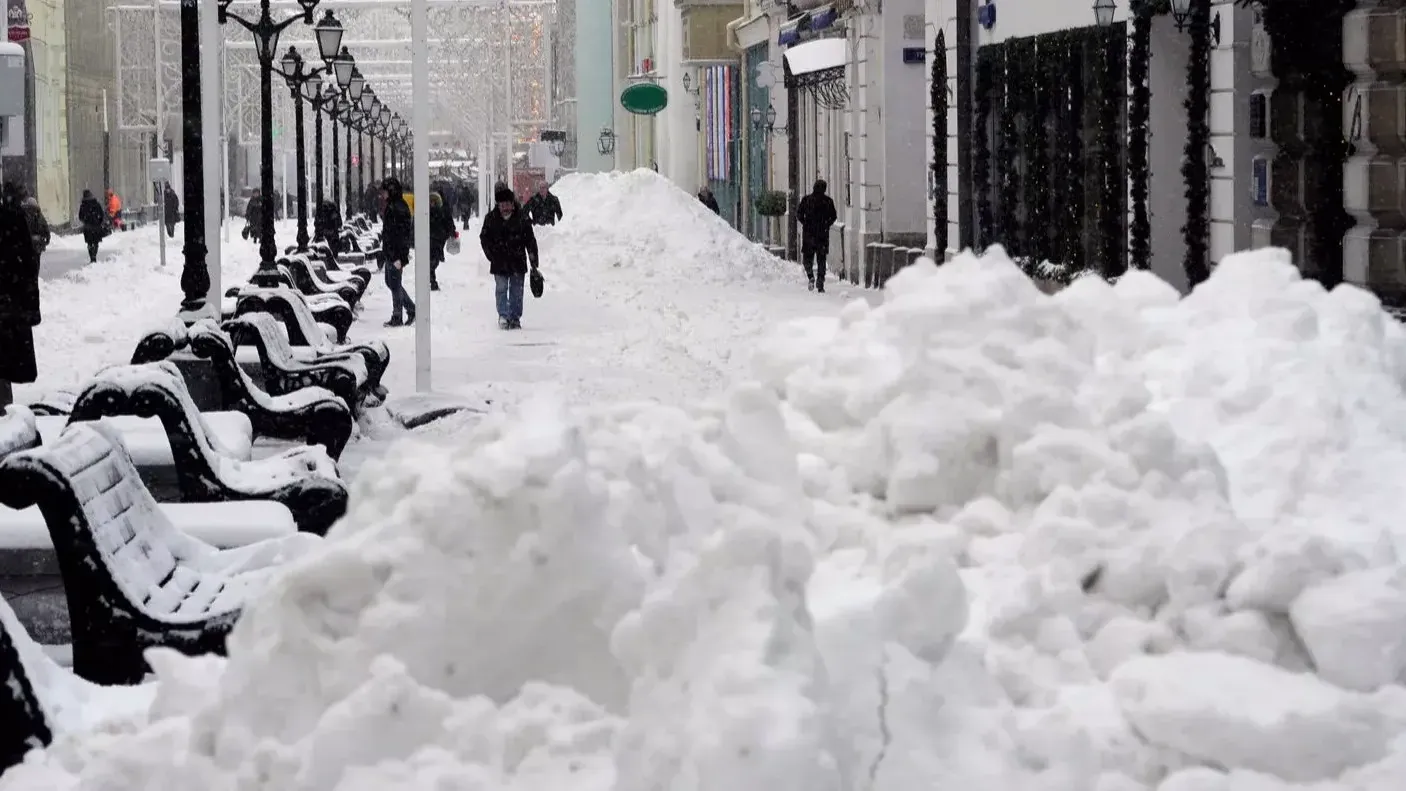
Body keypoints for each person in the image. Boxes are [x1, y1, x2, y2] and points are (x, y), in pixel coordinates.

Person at [0, 182, 41, 404]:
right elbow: (27, 265)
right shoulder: (14, 218)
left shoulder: (12, 218)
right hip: (10, 305)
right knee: (4, 367)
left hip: (8, 305)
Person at [479, 186, 538, 331]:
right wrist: (491, 254)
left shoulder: (522, 218)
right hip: (499, 261)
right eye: (502, 205)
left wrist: (533, 260)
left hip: (517, 260)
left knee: (517, 291)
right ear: (498, 205)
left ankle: (515, 317)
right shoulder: (491, 219)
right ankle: (503, 315)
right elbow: (484, 238)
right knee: (501, 288)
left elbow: (530, 240)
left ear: (513, 204)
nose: (505, 207)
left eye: (507, 204)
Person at [380, 177, 416, 327]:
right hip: (392, 252)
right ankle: (411, 308)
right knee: (391, 282)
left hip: (395, 253)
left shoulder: (397, 208)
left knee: (394, 284)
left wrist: (398, 256)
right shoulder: (394, 206)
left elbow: (400, 235)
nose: (383, 195)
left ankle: (398, 315)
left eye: (385, 191)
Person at [796, 179, 838, 293]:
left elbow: (799, 214)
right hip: (822, 235)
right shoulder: (828, 201)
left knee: (807, 259)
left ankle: (810, 276)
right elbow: (834, 216)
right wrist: (826, 224)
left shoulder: (806, 200)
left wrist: (805, 222)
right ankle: (820, 282)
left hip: (809, 235)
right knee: (821, 260)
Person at [428, 191, 457, 291]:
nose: (431, 203)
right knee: (433, 260)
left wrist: (452, 232)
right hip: (433, 239)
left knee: (433, 260)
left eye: (433, 202)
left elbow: (448, 223)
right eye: (430, 202)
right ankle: (432, 280)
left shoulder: (441, 211)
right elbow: (449, 223)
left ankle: (431, 276)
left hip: (438, 239)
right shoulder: (428, 212)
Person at [78, 189, 106, 263]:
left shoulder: (83, 205)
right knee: (96, 242)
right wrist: (99, 222)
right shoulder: (97, 204)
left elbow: (80, 217)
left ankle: (92, 257)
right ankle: (94, 256)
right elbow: (102, 215)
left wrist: (86, 221)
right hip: (96, 227)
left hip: (88, 228)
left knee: (90, 243)